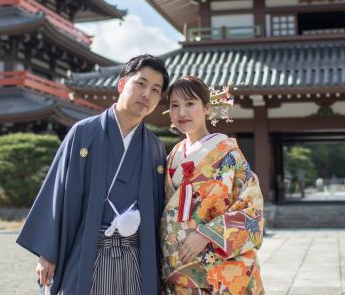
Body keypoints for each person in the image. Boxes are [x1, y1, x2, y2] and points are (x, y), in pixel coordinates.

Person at [17, 54, 170, 295]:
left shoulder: (155, 147)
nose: (146, 94)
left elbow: (160, 211)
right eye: (140, 84)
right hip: (88, 248)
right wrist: (48, 253)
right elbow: (58, 192)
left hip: (135, 256)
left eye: (155, 90)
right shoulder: (84, 133)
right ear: (122, 84)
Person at [161, 75, 264, 294]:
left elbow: (252, 209)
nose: (181, 113)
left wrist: (208, 233)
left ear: (207, 108)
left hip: (216, 267)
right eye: (174, 106)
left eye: (190, 104)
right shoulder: (172, 156)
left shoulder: (229, 154)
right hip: (176, 269)